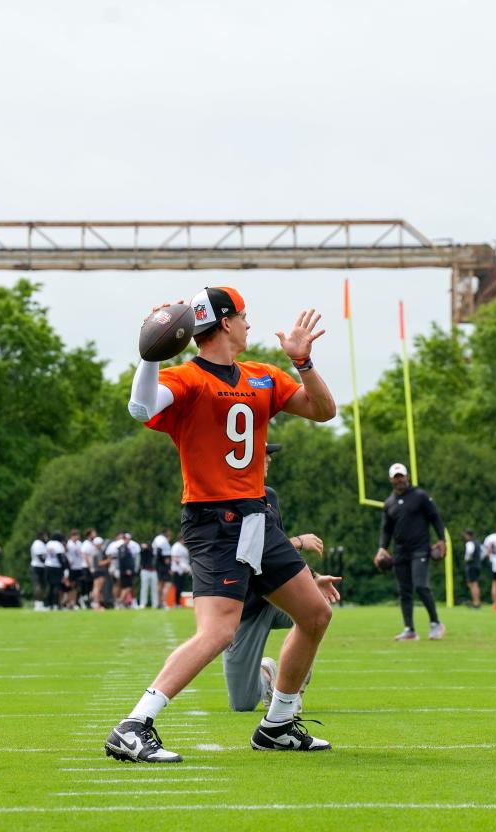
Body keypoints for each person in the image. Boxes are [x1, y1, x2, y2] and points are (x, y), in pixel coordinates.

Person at [105, 287, 336, 763]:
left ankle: (278, 723)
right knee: (218, 633)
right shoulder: (188, 378)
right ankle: (134, 724)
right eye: (245, 317)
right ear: (226, 322)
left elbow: (323, 411)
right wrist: (149, 354)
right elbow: (141, 407)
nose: (250, 325)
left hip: (257, 516)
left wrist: (304, 363)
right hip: (214, 520)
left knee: (314, 614)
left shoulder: (261, 376)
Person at [223, 442, 341, 712]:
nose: (269, 461)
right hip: (247, 607)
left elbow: (277, 554)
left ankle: (292, 691)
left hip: (274, 597)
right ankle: (267, 674)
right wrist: (299, 541)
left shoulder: (269, 496)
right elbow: (250, 552)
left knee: (314, 612)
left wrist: (312, 577)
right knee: (242, 703)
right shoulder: (225, 501)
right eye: (265, 456)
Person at [374, 463, 446, 641]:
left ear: (407, 476)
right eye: (396, 477)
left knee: (421, 586)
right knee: (404, 591)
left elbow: (435, 517)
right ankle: (410, 630)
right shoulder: (389, 502)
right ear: (391, 479)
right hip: (400, 552)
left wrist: (441, 540)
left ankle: (436, 623)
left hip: (420, 548)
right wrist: (382, 548)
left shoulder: (420, 496)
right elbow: (386, 529)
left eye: (402, 476)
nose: (399, 479)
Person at [65, 530, 88, 610]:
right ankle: (69, 602)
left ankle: (74, 602)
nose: (77, 537)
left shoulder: (79, 543)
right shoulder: (69, 544)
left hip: (78, 567)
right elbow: (66, 553)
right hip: (71, 568)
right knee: (71, 586)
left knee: (77, 586)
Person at [151, 527, 173, 609]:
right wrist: (169, 568)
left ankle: (159, 603)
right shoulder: (164, 541)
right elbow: (166, 558)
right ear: (166, 532)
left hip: (157, 564)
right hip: (163, 565)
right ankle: (162, 602)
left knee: (160, 584)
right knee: (166, 584)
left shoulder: (157, 538)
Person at [460, 528, 482, 610]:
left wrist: (466, 560)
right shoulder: (477, 543)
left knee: (473, 584)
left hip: (471, 565)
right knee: (474, 584)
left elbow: (469, 552)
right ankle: (476, 602)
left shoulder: (469, 543)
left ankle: (476, 603)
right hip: (477, 565)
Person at [45, 531, 68, 610]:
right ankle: (55, 604)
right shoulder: (58, 545)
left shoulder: (48, 544)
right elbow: (60, 557)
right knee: (56, 586)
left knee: (50, 586)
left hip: (48, 566)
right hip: (56, 567)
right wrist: (64, 568)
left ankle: (48, 604)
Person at [30, 531, 51, 612]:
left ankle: (40, 604)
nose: (46, 538)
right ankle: (38, 604)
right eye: (45, 536)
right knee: (38, 585)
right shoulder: (37, 544)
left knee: (42, 585)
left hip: (40, 566)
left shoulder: (41, 544)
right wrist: (47, 561)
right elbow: (40, 557)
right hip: (37, 566)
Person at [169, 535, 191, 606]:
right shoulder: (176, 546)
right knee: (178, 587)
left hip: (182, 570)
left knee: (181, 587)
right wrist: (185, 567)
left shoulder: (182, 547)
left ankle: (178, 602)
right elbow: (175, 558)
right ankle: (177, 603)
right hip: (177, 570)